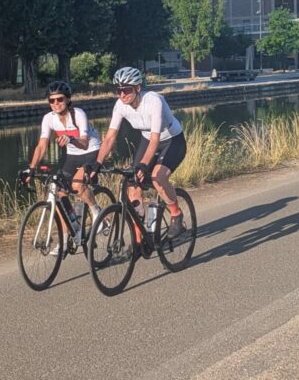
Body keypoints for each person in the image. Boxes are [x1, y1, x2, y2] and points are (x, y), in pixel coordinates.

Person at [86, 67, 187, 238]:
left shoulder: (154, 101)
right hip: (148, 139)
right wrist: (98, 163)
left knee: (157, 177)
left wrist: (143, 165)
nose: (122, 95)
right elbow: (110, 137)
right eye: (118, 91)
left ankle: (176, 214)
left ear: (138, 88)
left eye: (126, 90)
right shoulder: (120, 105)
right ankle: (140, 239)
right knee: (132, 186)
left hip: (171, 139)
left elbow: (156, 139)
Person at [19, 81, 103, 252]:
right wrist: (32, 168)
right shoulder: (49, 119)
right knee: (58, 193)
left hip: (91, 150)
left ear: (68, 100)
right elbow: (42, 145)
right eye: (52, 101)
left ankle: (96, 211)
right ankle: (66, 238)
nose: (56, 104)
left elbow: (85, 143)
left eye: (60, 99)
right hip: (73, 155)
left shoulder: (78, 114)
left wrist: (71, 139)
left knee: (77, 185)